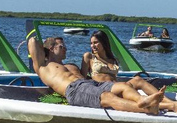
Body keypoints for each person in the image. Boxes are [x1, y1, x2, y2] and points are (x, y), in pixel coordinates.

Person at [28, 36, 164, 114]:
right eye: (62, 47)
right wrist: (45, 42)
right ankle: (147, 110)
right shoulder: (43, 66)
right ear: (51, 49)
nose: (66, 49)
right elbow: (32, 42)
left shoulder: (67, 66)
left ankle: (141, 100)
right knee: (107, 97)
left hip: (89, 84)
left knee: (123, 86)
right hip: (74, 89)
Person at [80, 30, 177, 113]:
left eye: (96, 43)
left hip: (118, 86)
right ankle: (171, 106)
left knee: (138, 80)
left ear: (104, 43)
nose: (92, 46)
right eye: (91, 43)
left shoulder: (112, 59)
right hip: (104, 90)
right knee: (132, 95)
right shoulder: (89, 57)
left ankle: (170, 102)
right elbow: (82, 79)